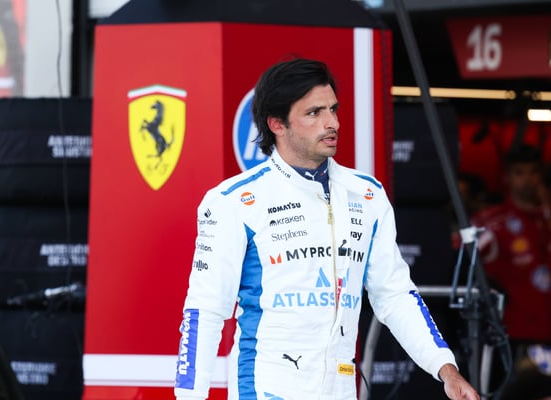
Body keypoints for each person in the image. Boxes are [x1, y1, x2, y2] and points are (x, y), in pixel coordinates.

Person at [174, 58, 479, 400]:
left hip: (340, 389)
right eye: (314, 113)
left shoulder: (366, 194)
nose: (332, 122)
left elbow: (394, 294)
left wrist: (445, 369)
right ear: (277, 124)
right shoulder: (234, 201)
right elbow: (204, 310)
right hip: (266, 389)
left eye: (333, 109)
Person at [473, 144, 551, 399]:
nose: (527, 180)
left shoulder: (546, 218)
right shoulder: (493, 224)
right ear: (507, 177)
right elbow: (456, 260)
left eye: (533, 172)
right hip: (513, 339)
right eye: (519, 172)